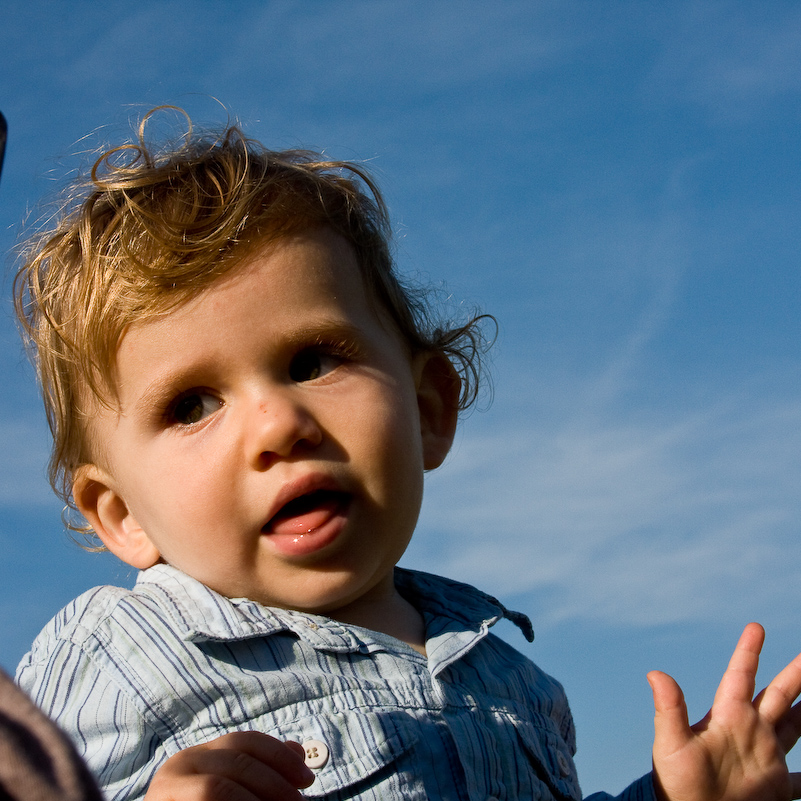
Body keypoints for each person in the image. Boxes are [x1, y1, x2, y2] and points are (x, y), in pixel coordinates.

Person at [12, 108, 801, 801]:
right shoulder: (119, 654)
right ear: (121, 515)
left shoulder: (507, 675)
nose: (277, 424)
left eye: (313, 360)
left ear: (427, 408)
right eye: (192, 405)